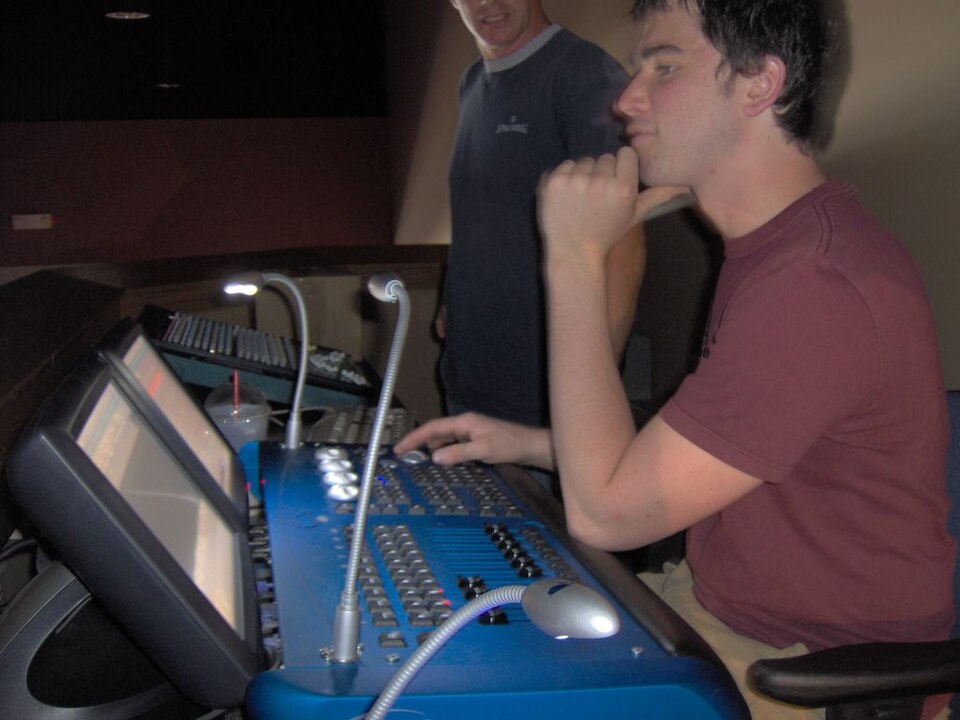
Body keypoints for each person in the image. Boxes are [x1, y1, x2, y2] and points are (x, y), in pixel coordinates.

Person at [398, 1, 956, 718]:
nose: (628, 98)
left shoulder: (817, 284)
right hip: (716, 613)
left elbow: (607, 517)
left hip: (815, 670)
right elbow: (708, 460)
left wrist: (573, 255)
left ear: (758, 83)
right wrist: (530, 444)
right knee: (467, 661)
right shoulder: (777, 249)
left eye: (664, 67)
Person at [439, 0, 645, 431]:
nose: (486, 4)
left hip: (543, 405)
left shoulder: (585, 74)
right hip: (466, 384)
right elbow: (480, 203)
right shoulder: (471, 83)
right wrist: (449, 296)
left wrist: (592, 394)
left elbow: (625, 239)